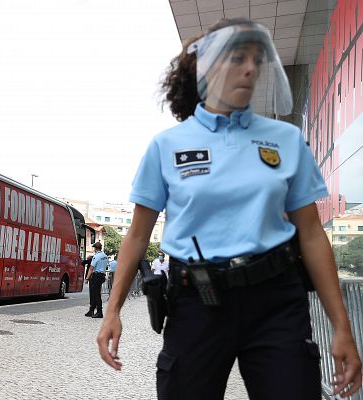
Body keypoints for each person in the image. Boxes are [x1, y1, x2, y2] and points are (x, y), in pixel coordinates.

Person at [97, 18, 361, 399]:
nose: (251, 69)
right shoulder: (167, 146)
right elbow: (138, 236)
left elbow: (311, 233)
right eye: (238, 58)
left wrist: (342, 327)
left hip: (277, 302)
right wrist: (113, 310)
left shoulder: (286, 140)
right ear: (207, 66)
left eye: (257, 59)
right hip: (197, 302)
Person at [85, 242, 108, 318]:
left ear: (95, 248)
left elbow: (91, 268)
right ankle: (91, 310)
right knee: (96, 293)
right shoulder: (105, 256)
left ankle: (99, 312)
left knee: (96, 294)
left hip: (96, 276)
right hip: (101, 276)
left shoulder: (96, 256)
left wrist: (87, 278)